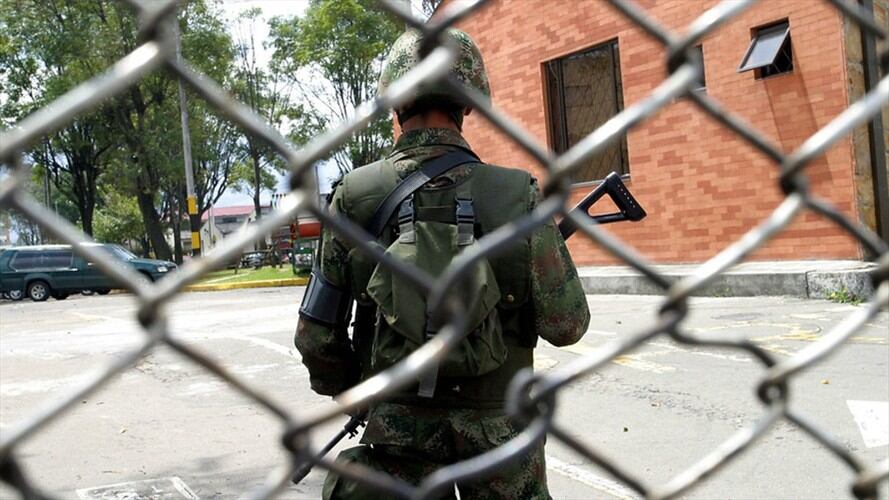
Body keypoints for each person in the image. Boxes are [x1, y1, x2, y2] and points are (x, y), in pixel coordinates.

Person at [295, 28, 590, 500]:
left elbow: (315, 336)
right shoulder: (517, 195)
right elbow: (567, 324)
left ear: (394, 104)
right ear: (469, 103)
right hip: (501, 442)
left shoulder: (354, 198)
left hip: (395, 435)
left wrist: (363, 389)